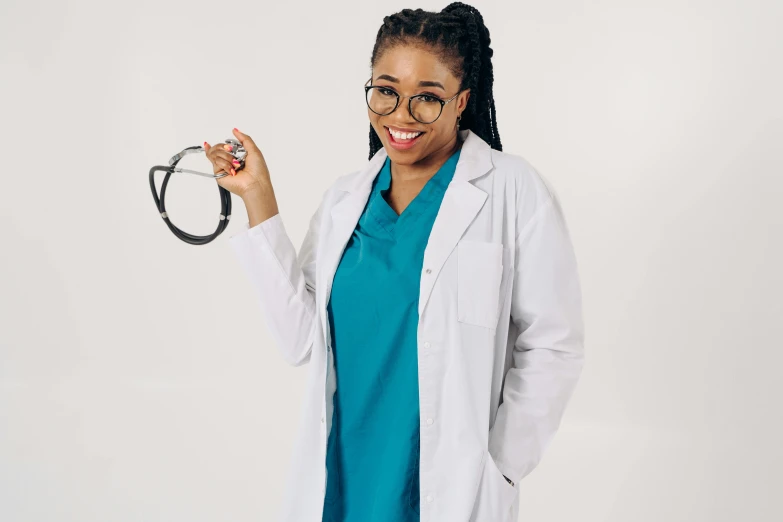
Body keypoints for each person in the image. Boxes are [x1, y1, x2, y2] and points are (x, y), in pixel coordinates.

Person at [205, 3, 585, 521]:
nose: (401, 116)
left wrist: (501, 464)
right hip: (344, 478)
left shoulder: (512, 191)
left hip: (449, 488)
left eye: (427, 98)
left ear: (462, 102)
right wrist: (258, 199)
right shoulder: (344, 201)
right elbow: (300, 342)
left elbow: (553, 344)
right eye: (386, 91)